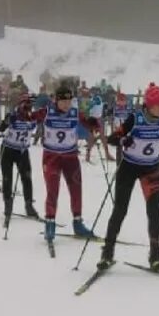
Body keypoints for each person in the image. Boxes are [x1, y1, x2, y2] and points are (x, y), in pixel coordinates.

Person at [99, 84, 159, 270]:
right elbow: (112, 139)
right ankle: (107, 252)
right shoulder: (135, 118)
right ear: (150, 106)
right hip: (128, 167)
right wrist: (124, 140)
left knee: (154, 212)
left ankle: (155, 256)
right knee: (120, 210)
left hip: (151, 170)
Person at [39, 85, 96, 243]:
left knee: (76, 189)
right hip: (52, 157)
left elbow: (87, 122)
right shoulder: (47, 111)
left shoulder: (75, 112)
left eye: (69, 101)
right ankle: (50, 223)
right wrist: (18, 115)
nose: (66, 104)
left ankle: (78, 223)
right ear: (56, 100)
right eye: (63, 101)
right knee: (52, 190)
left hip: (71, 157)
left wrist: (93, 124)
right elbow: (29, 117)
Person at [0, 93, 41, 228]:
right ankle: (8, 205)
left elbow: (38, 123)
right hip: (8, 150)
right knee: (7, 178)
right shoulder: (14, 115)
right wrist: (7, 121)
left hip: (22, 150)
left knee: (26, 178)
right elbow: (1, 129)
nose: (28, 107)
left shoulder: (32, 116)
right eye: (25, 105)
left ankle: (29, 205)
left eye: (29, 105)